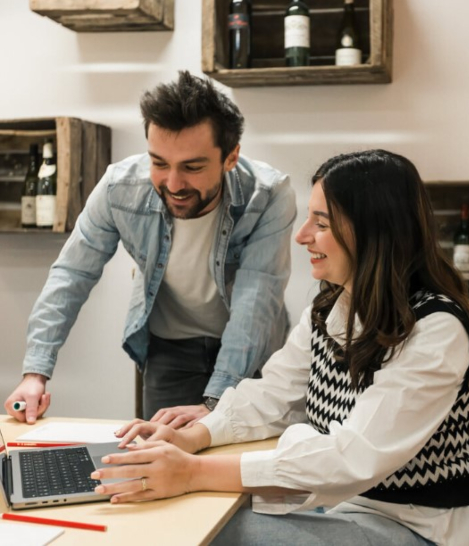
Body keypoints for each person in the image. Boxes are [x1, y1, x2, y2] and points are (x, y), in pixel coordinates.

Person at [90, 150, 469, 546]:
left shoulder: (437, 328)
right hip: (341, 509)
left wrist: (193, 472)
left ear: (374, 232)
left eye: (321, 223)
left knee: (206, 531)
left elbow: (351, 459)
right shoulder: (330, 307)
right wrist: (192, 438)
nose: (302, 236)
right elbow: (272, 396)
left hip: (412, 526)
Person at [3, 71, 296, 428]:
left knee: (240, 468)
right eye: (159, 163)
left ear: (231, 157)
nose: (173, 183)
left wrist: (217, 399)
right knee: (160, 466)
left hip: (256, 353)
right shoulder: (119, 188)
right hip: (169, 349)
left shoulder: (267, 195)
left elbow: (257, 298)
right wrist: (35, 372)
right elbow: (72, 274)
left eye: (192, 167)